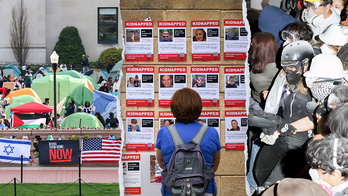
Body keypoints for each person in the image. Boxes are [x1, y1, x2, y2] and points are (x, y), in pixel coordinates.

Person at [250, 41, 316, 189]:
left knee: (274, 184)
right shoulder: (284, 74)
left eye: (292, 66)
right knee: (260, 171)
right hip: (281, 130)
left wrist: (283, 128)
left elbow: (317, 118)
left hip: (299, 138)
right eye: (285, 66)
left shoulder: (315, 82)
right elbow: (275, 101)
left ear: (306, 63)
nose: (288, 70)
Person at [156, 88, 221, 196]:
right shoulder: (211, 132)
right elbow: (215, 166)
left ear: (173, 109)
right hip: (204, 190)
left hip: (172, 191)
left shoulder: (164, 133)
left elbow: (162, 163)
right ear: (199, 108)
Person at [249, 32, 279, 104]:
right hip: (255, 99)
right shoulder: (257, 59)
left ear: (261, 47)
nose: (250, 44)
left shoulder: (274, 69)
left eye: (253, 42)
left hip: (264, 106)